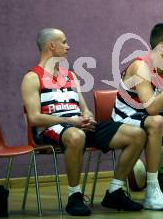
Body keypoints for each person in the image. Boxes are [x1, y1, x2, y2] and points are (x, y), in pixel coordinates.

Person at [21, 28, 146, 216]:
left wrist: (87, 117)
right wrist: (71, 121)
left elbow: (84, 107)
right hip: (53, 128)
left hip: (78, 124)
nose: (68, 46)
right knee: (76, 135)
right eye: (63, 42)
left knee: (137, 134)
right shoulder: (32, 78)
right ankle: (75, 196)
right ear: (51, 45)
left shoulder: (70, 76)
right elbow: (34, 118)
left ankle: (115, 191)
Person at [111, 23, 163, 210]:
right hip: (125, 118)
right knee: (157, 120)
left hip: (151, 119)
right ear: (162, 46)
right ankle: (152, 190)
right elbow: (152, 108)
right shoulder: (141, 66)